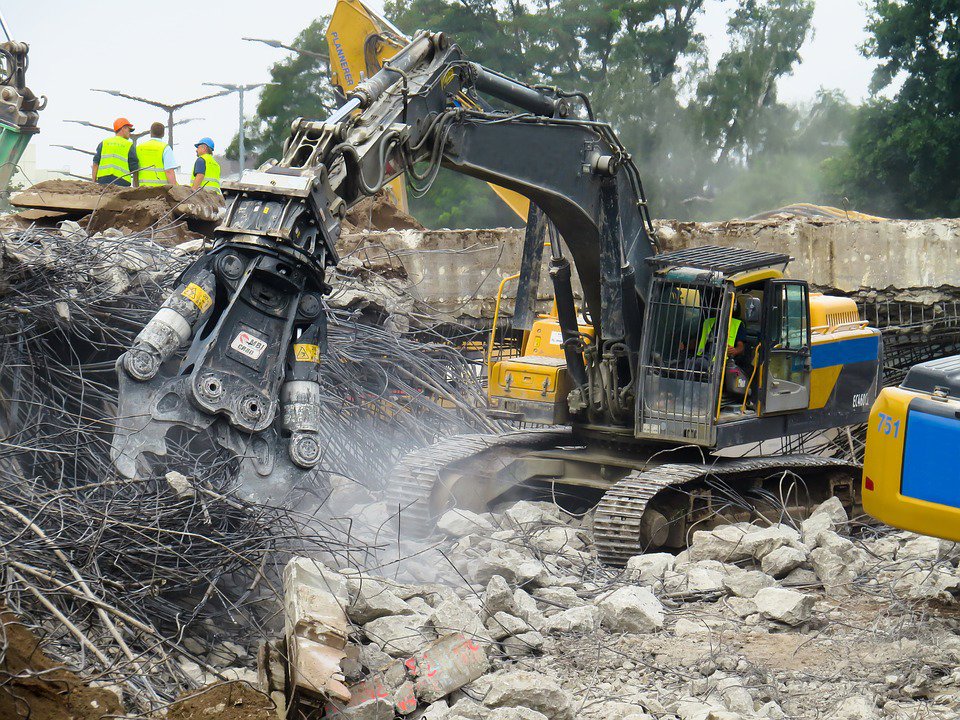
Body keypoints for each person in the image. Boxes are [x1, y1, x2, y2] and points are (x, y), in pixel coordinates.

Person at [92, 118, 139, 186]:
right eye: (129, 130)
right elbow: (134, 168)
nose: (130, 133)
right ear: (123, 128)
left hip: (103, 181)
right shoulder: (128, 145)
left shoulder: (104, 143)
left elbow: (95, 163)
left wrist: (93, 183)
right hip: (122, 181)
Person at [135, 122, 178, 187]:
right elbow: (169, 171)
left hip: (142, 189)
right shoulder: (165, 148)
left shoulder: (139, 148)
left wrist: (135, 187)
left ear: (150, 133)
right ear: (163, 134)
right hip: (160, 191)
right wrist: (175, 190)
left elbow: (135, 170)